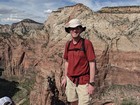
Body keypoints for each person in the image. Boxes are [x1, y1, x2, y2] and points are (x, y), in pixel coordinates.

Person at [61, 18, 96, 105]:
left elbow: (92, 63)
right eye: (72, 28)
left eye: (77, 28)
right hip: (70, 80)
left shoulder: (87, 43)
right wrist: (65, 77)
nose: (75, 30)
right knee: (73, 102)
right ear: (69, 30)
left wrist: (91, 83)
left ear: (81, 29)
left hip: (84, 81)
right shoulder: (68, 44)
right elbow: (67, 62)